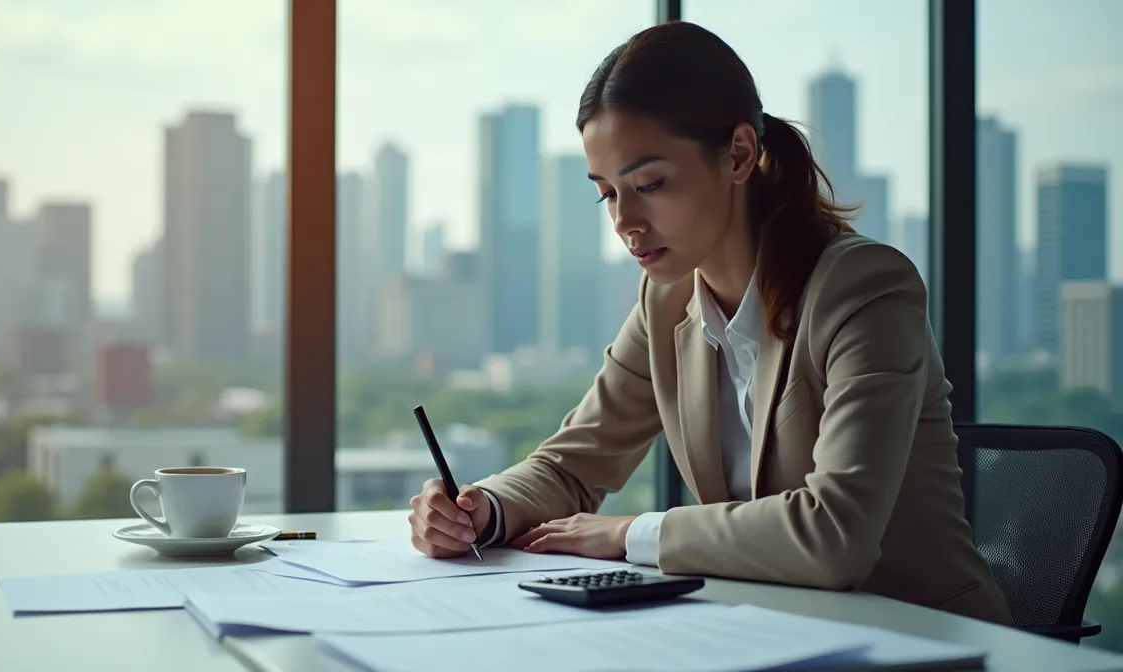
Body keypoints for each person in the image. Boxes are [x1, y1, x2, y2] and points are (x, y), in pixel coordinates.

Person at [408, 20, 1013, 625]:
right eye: (607, 194)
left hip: (924, 638)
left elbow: (835, 535)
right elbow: (573, 464)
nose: (625, 220)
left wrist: (630, 534)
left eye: (649, 184)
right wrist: (481, 508)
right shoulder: (666, 301)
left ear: (740, 155)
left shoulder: (862, 289)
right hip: (766, 629)